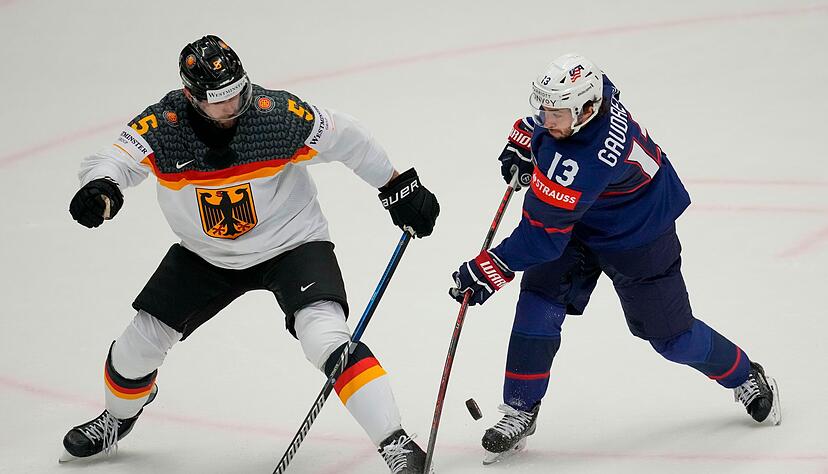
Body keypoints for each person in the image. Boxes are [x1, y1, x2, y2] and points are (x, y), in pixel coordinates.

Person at [62, 35, 439, 474]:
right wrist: (101, 186)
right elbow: (116, 158)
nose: (234, 106)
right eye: (220, 101)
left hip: (292, 244)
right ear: (191, 97)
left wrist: (395, 186)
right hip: (205, 255)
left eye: (239, 91)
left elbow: (348, 138)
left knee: (326, 337)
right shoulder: (162, 126)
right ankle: (118, 417)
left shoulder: (277, 116)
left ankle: (395, 442)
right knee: (136, 348)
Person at [449, 53, 781, 464]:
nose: (548, 119)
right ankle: (521, 407)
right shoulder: (593, 94)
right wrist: (526, 137)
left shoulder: (586, 160)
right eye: (546, 110)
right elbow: (551, 127)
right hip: (580, 220)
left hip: (638, 233)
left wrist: (488, 269)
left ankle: (744, 373)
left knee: (672, 339)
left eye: (556, 115)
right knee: (539, 304)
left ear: (587, 111)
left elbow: (541, 239)